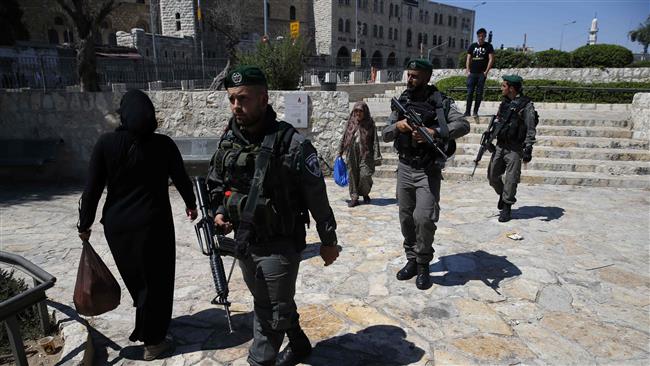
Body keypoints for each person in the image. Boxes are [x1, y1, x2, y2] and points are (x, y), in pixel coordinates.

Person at [206, 65, 339, 366]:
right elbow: (216, 182)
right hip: (244, 242)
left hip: (280, 243)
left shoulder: (291, 144)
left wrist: (328, 241)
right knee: (270, 300)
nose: (236, 106)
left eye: (243, 99)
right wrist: (217, 212)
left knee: (268, 314)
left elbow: (317, 197)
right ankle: (300, 344)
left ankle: (259, 361)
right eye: (231, 99)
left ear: (264, 99)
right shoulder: (229, 138)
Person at [77, 89, 198, 361]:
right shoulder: (164, 145)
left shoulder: (106, 144)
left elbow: (92, 189)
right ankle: (154, 341)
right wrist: (191, 204)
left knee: (138, 280)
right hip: (155, 224)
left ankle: (150, 326)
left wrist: (84, 224)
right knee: (157, 279)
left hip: (118, 227)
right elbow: (181, 178)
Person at [383, 59, 470, 290]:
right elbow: (385, 133)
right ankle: (411, 259)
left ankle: (423, 265)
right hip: (404, 167)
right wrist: (398, 127)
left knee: (424, 218)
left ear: (427, 78)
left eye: (415, 76)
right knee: (406, 218)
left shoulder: (440, 101)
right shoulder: (402, 101)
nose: (409, 80)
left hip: (427, 171)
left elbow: (463, 125)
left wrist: (435, 131)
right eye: (408, 75)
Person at [487, 75, 538, 222]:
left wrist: (528, 147)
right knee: (492, 176)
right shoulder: (504, 103)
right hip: (500, 145)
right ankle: (503, 195)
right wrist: (489, 136)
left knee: (511, 178)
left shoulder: (526, 105)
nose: (501, 88)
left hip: (515, 148)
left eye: (504, 86)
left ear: (511, 88)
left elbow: (530, 127)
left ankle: (507, 206)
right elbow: (497, 121)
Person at [338, 101, 382, 207]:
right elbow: (344, 136)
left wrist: (377, 155)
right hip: (351, 151)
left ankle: (365, 192)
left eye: (360, 111)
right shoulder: (350, 122)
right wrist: (340, 151)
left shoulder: (370, 123)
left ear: (365, 111)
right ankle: (354, 197)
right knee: (352, 174)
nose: (358, 113)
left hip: (366, 153)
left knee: (365, 175)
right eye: (356, 111)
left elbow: (375, 140)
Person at [465, 28, 495, 117]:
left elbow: (491, 59)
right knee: (469, 93)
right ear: (477, 36)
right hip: (472, 73)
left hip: (481, 74)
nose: (481, 38)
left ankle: (475, 112)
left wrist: (486, 71)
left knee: (479, 93)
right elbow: (468, 58)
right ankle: (467, 112)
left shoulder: (489, 46)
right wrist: (467, 70)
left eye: (482, 36)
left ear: (485, 36)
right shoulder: (472, 46)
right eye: (479, 36)